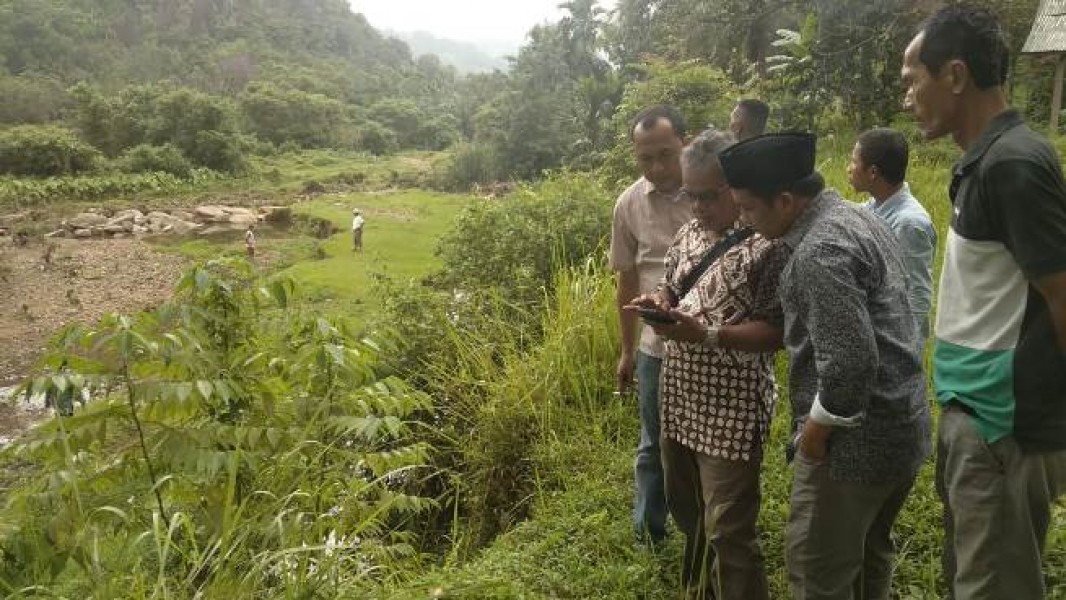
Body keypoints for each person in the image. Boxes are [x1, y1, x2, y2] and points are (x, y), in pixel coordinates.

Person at [722, 133, 931, 600]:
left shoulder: (819, 251)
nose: (743, 219)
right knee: (870, 555)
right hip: (903, 427)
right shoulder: (859, 216)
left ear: (785, 200)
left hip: (854, 447)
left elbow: (851, 361)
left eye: (748, 208)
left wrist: (815, 435)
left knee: (818, 573)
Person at [901, 6, 1066, 598]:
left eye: (912, 80)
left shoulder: (1014, 164)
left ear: (955, 75)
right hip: (973, 413)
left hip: (1003, 426)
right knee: (970, 577)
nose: (907, 98)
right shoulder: (985, 160)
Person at [626, 129, 787, 600]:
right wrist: (659, 302)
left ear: (736, 186)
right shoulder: (689, 233)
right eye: (690, 196)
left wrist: (708, 334)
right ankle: (702, 588)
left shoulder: (768, 245)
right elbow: (673, 286)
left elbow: (776, 332)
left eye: (709, 196)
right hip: (680, 398)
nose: (698, 207)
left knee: (729, 529)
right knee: (689, 511)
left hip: (732, 411)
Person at [609, 104, 693, 545]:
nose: (657, 168)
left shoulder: (713, 193)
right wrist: (627, 350)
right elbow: (626, 280)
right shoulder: (629, 203)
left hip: (710, 343)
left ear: (684, 143)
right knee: (653, 442)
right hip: (654, 348)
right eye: (646, 158)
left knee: (707, 443)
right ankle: (649, 534)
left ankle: (706, 532)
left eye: (665, 155)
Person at [848, 128, 937, 350]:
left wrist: (904, 350)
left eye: (854, 162)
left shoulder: (908, 223)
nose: (848, 168)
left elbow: (917, 295)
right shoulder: (873, 207)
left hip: (896, 346)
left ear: (873, 172)